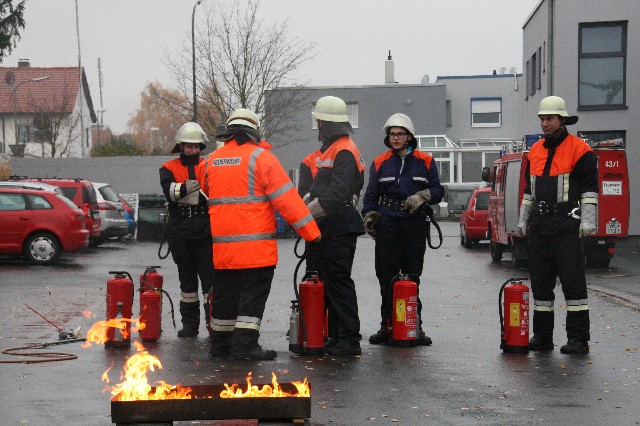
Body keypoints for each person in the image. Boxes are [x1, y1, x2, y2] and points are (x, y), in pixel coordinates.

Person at [199, 107, 321, 360]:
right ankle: (244, 346)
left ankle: (220, 346)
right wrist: (311, 233)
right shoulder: (262, 159)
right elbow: (287, 201)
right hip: (256, 250)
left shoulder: (209, 162)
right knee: (251, 299)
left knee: (225, 297)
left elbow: (208, 191)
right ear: (254, 132)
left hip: (223, 251)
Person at [517, 96, 598, 354]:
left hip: (566, 226)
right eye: (542, 119)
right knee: (541, 286)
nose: (545, 123)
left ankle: (578, 339)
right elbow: (529, 191)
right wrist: (523, 220)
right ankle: (542, 337)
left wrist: (587, 222)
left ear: (562, 120)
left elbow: (589, 191)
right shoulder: (535, 151)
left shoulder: (580, 150)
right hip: (540, 226)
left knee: (573, 286)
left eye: (550, 118)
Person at [361, 113, 444, 346]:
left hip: (414, 223)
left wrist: (423, 196)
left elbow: (438, 190)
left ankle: (414, 324)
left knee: (412, 275)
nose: (395, 138)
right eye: (392, 134)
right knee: (386, 276)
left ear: (409, 137)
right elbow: (371, 195)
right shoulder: (380, 162)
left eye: (400, 134)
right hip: (387, 222)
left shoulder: (425, 161)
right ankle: (386, 325)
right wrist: (369, 215)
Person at [306, 95, 366, 356]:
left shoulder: (343, 150)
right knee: (330, 282)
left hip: (338, 225)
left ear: (326, 123)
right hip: (331, 225)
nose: (318, 126)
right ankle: (336, 335)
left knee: (339, 281)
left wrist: (305, 215)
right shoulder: (335, 148)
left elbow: (337, 193)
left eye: (319, 121)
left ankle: (349, 339)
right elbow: (323, 188)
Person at [159, 122, 215, 338]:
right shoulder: (168, 168)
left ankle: (213, 324)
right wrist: (186, 190)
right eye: (189, 146)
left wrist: (183, 193)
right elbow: (170, 193)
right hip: (180, 233)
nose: (193, 150)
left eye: (196, 146)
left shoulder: (209, 165)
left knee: (210, 281)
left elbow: (212, 192)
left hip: (205, 232)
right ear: (180, 146)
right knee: (187, 283)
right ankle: (190, 325)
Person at [298, 148, 322, 277]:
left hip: (339, 226)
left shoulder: (346, 155)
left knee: (337, 276)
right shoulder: (309, 161)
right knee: (313, 274)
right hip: (315, 223)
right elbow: (303, 193)